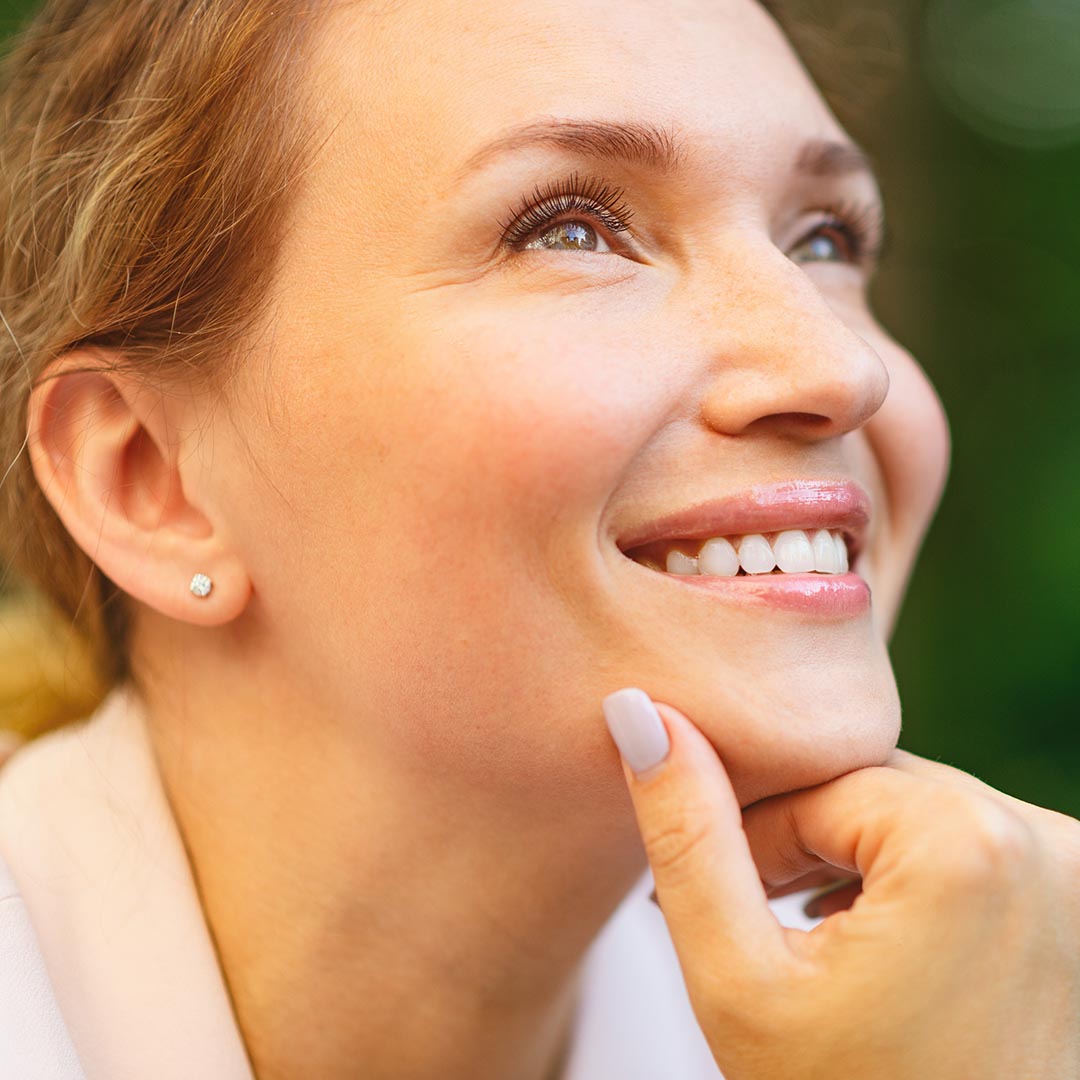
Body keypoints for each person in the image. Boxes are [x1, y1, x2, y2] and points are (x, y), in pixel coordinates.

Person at [0, 0, 1076, 1077]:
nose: (840, 369)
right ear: (149, 477)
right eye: (570, 226)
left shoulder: (930, 1022)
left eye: (826, 239)